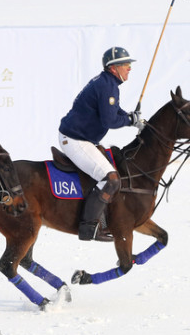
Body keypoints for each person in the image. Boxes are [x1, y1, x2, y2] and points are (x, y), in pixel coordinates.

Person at [57, 47, 146, 241]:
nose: (129, 68)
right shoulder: (108, 87)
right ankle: (89, 228)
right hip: (75, 140)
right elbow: (109, 121)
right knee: (111, 179)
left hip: (82, 137)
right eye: (126, 65)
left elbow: (114, 111)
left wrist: (130, 116)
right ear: (113, 68)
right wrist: (131, 121)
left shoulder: (107, 82)